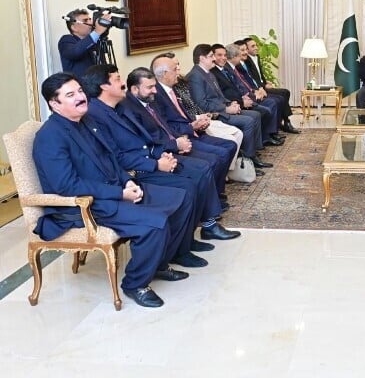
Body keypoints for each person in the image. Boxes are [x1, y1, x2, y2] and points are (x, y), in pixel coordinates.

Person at [33, 72, 195, 308]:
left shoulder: (87, 121)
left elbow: (112, 159)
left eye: (79, 90)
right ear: (54, 104)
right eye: (70, 95)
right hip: (86, 205)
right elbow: (67, 186)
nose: (80, 97)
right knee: (155, 223)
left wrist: (126, 182)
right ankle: (135, 284)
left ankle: (158, 262)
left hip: (114, 190)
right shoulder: (50, 137)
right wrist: (120, 194)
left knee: (181, 198)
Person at [82, 65, 240, 244]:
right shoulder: (96, 113)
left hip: (152, 157)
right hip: (136, 170)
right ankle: (194, 235)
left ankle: (191, 235)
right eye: (117, 79)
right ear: (104, 86)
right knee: (194, 179)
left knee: (202, 168)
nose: (122, 84)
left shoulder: (119, 105)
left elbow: (144, 138)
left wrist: (161, 154)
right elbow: (116, 155)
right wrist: (157, 161)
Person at [186, 43, 271, 169]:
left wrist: (231, 103)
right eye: (211, 56)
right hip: (215, 114)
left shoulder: (208, 73)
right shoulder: (195, 76)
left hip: (222, 108)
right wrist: (226, 109)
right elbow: (202, 104)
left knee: (255, 114)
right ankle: (248, 160)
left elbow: (219, 96)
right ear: (202, 58)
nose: (214, 59)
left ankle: (251, 154)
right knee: (248, 121)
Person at [241, 37, 299, 134]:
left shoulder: (257, 57)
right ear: (247, 49)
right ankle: (285, 122)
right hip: (258, 88)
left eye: (256, 45)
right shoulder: (245, 60)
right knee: (281, 96)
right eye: (253, 46)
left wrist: (265, 82)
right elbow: (251, 78)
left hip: (262, 85)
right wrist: (262, 86)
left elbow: (259, 74)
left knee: (285, 92)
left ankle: (283, 121)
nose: (256, 47)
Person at [58, 8, 111, 77]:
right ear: (74, 28)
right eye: (85, 20)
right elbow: (75, 52)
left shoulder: (95, 40)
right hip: (80, 86)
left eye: (90, 19)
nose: (91, 22)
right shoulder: (66, 40)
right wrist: (97, 32)